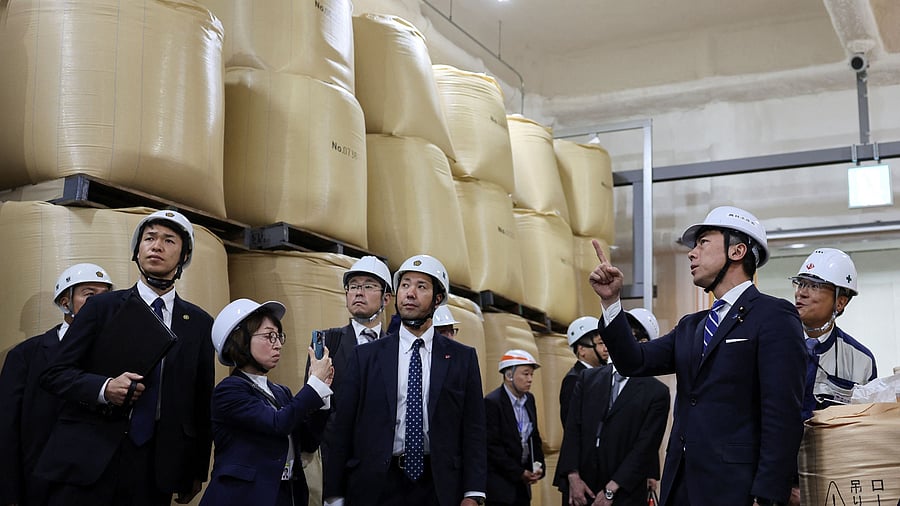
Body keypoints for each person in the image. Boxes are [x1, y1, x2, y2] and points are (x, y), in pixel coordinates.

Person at [588, 205, 806, 506]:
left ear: (738, 250)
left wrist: (769, 493)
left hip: (737, 489)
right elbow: (633, 361)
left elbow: (782, 413)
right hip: (681, 486)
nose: (692, 253)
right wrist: (612, 302)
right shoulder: (692, 326)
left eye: (703, 242)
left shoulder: (774, 316)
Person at [38, 209, 216, 506]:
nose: (156, 246)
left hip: (156, 465)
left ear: (184, 257)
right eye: (149, 238)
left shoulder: (198, 323)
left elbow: (200, 402)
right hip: (91, 457)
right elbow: (54, 373)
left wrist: (196, 469)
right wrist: (104, 388)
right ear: (137, 250)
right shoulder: (101, 308)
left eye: (169, 240)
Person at [324, 254, 487, 506]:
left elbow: (474, 429)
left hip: (438, 486)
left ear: (438, 299)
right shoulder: (366, 357)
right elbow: (342, 428)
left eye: (421, 287)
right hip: (377, 486)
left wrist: (473, 493)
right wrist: (334, 495)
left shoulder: (462, 359)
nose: (410, 293)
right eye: (405, 284)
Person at [0, 263, 113, 506]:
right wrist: (9, 492)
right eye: (90, 296)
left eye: (106, 297)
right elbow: (7, 428)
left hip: (100, 487)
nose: (101, 305)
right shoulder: (26, 355)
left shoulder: (117, 357)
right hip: (41, 485)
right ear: (65, 303)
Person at [202, 298, 334, 506]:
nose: (278, 345)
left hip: (284, 494)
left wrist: (323, 394)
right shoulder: (229, 391)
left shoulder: (281, 392)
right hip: (243, 497)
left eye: (279, 336)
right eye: (269, 336)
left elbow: (308, 442)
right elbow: (277, 423)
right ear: (241, 340)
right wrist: (314, 385)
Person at [557, 308, 670, 506]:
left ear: (643, 343)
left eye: (628, 335)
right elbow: (572, 430)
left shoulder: (656, 393)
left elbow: (645, 447)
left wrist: (611, 490)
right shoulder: (588, 378)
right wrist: (573, 477)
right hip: (580, 491)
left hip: (622, 493)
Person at [792, 247, 876, 420]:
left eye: (814, 286)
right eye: (801, 283)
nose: (801, 293)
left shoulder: (861, 360)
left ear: (840, 302)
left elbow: (867, 419)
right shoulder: (772, 342)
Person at [484, 350, 545, 506]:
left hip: (522, 487)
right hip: (501, 486)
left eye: (531, 375)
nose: (530, 379)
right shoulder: (492, 402)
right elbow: (492, 447)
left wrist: (538, 465)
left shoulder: (529, 400)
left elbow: (534, 437)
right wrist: (518, 472)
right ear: (509, 375)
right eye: (525, 374)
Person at [559, 316, 609, 426]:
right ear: (582, 350)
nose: (606, 348)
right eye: (600, 343)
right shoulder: (574, 379)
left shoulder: (601, 376)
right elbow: (570, 423)